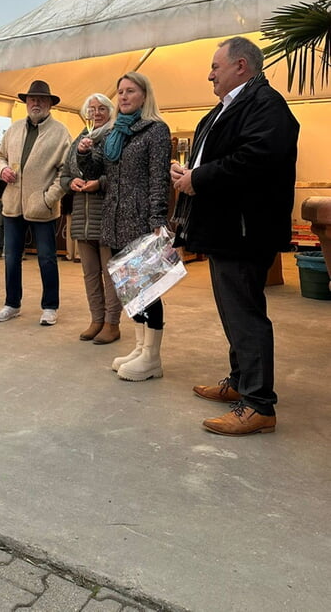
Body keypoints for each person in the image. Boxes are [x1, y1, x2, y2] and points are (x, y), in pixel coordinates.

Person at [171, 36, 299, 436]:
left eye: (215, 66)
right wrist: (189, 176)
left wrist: (199, 177)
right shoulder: (232, 105)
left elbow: (255, 159)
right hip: (225, 228)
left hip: (246, 230)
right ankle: (241, 381)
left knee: (245, 313)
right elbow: (218, 157)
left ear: (241, 66)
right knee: (233, 309)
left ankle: (259, 404)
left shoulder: (266, 105)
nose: (210, 74)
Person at [78, 72, 171, 378]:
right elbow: (97, 170)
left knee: (148, 290)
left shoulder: (155, 130)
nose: (124, 97)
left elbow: (159, 180)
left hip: (142, 221)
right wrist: (85, 153)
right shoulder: (116, 134)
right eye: (120, 92)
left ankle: (152, 358)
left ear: (145, 96)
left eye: (131, 91)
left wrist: (158, 220)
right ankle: (140, 348)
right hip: (115, 220)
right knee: (131, 290)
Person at [0, 80, 71, 326]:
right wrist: (2, 169)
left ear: (49, 103)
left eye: (41, 99)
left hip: (42, 207)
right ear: (26, 102)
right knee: (11, 257)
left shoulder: (60, 132)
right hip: (13, 203)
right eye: (32, 99)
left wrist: (48, 199)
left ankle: (50, 306)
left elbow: (66, 171)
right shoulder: (13, 130)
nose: (36, 103)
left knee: (47, 257)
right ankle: (12, 304)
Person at [61, 93, 120, 344]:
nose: (96, 113)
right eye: (91, 109)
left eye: (101, 108)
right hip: (82, 218)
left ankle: (112, 323)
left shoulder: (115, 138)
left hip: (105, 216)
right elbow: (64, 174)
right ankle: (96, 319)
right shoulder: (78, 141)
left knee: (110, 273)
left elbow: (119, 176)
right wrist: (70, 182)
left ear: (110, 111)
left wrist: (99, 184)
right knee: (89, 273)